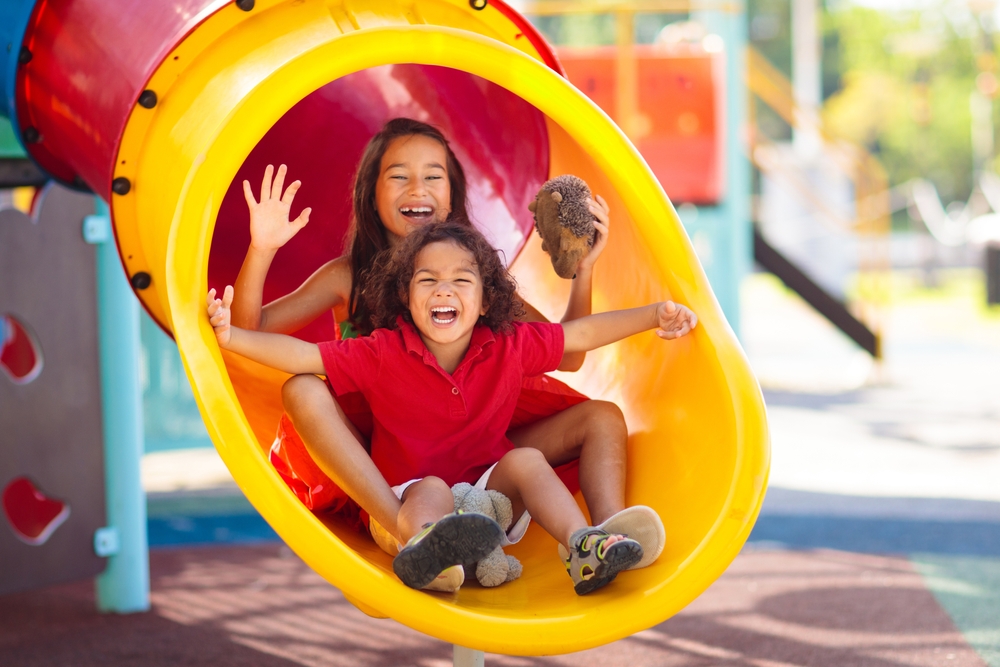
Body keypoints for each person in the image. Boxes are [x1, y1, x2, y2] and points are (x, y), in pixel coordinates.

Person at [229, 118, 664, 572]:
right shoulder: (348, 277)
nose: (418, 187)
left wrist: (584, 271)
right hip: (395, 463)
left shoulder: (472, 280)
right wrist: (262, 249)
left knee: (601, 417)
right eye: (399, 176)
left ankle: (608, 538)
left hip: (475, 443)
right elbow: (251, 329)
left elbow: (570, 351)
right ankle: (406, 530)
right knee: (302, 387)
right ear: (370, 195)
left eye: (433, 176)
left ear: (452, 195)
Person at [207, 221, 698, 595]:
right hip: (408, 499)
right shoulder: (383, 351)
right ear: (405, 295)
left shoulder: (508, 344)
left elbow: (581, 335)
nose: (445, 290)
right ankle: (425, 551)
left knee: (525, 460)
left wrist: (654, 314)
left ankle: (585, 544)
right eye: (428, 281)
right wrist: (231, 337)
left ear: (487, 300)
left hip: (487, 496)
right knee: (433, 487)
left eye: (462, 280)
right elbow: (302, 357)